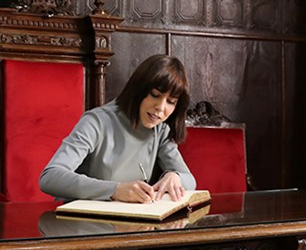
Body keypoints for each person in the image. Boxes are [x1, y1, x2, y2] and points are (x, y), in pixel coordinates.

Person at [40, 54, 196, 203]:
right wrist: (115, 190)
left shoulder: (160, 130)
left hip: (131, 219)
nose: (161, 108)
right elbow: (50, 177)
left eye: (171, 101)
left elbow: (190, 180)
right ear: (138, 90)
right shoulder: (97, 121)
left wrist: (175, 176)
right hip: (81, 218)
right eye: (155, 95)